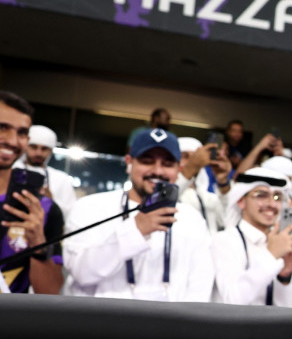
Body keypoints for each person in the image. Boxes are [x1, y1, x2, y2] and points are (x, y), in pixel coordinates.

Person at [64, 129, 214, 302]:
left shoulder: (191, 219)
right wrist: (135, 230)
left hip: (169, 325)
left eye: (167, 164)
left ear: (178, 168)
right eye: (147, 161)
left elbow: (200, 287)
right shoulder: (90, 207)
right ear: (129, 162)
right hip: (103, 323)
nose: (158, 171)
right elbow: (81, 273)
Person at [211, 167, 292, 307]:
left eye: (277, 197)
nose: (272, 204)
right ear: (241, 201)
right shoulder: (224, 241)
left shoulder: (280, 244)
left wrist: (284, 276)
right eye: (261, 195)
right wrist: (271, 256)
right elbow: (232, 300)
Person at [0, 93, 63, 295]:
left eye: (21, 133)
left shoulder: (43, 209)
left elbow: (50, 292)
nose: (12, 141)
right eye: (2, 127)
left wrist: (38, 244)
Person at [17, 125, 76, 218]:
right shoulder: (10, 170)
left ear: (51, 151)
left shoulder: (62, 179)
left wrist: (52, 201)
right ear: (25, 146)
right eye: (33, 147)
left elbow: (71, 214)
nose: (38, 153)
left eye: (44, 149)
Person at [175, 137, 226, 235]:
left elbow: (227, 221)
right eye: (185, 156)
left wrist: (223, 182)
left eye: (195, 157)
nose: (191, 161)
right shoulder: (165, 192)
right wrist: (191, 167)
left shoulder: (209, 197)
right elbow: (167, 199)